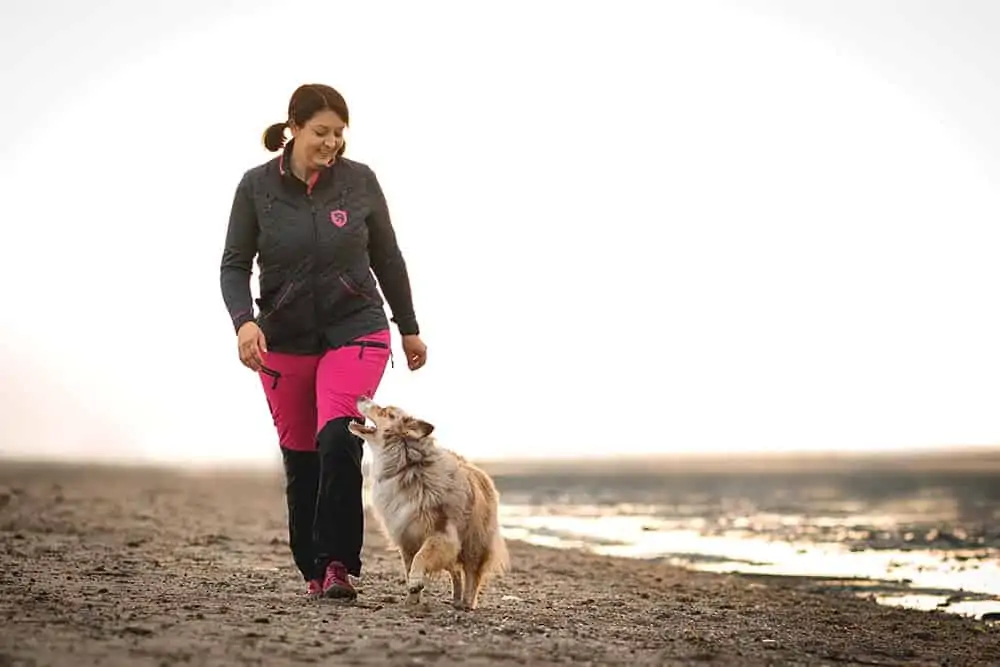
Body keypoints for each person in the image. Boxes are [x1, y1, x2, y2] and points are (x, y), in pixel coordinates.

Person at [219, 83, 428, 600]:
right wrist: (245, 321)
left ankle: (338, 565)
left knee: (338, 438)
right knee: (302, 459)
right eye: (321, 132)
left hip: (356, 327)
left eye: (339, 133)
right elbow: (234, 264)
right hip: (284, 338)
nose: (332, 143)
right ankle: (312, 568)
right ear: (292, 128)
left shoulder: (359, 183)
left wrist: (408, 326)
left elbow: (388, 257)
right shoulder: (255, 189)